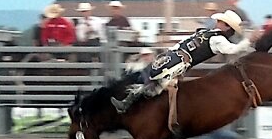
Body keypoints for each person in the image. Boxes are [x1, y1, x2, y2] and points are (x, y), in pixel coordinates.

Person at [110, 10, 262, 113]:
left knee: (156, 81)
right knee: (149, 72)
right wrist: (172, 50)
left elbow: (232, 50)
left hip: (181, 62)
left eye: (222, 21)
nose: (218, 21)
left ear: (226, 26)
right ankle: (125, 96)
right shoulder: (207, 33)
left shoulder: (218, 40)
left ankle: (128, 104)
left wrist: (249, 41)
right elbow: (187, 40)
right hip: (175, 55)